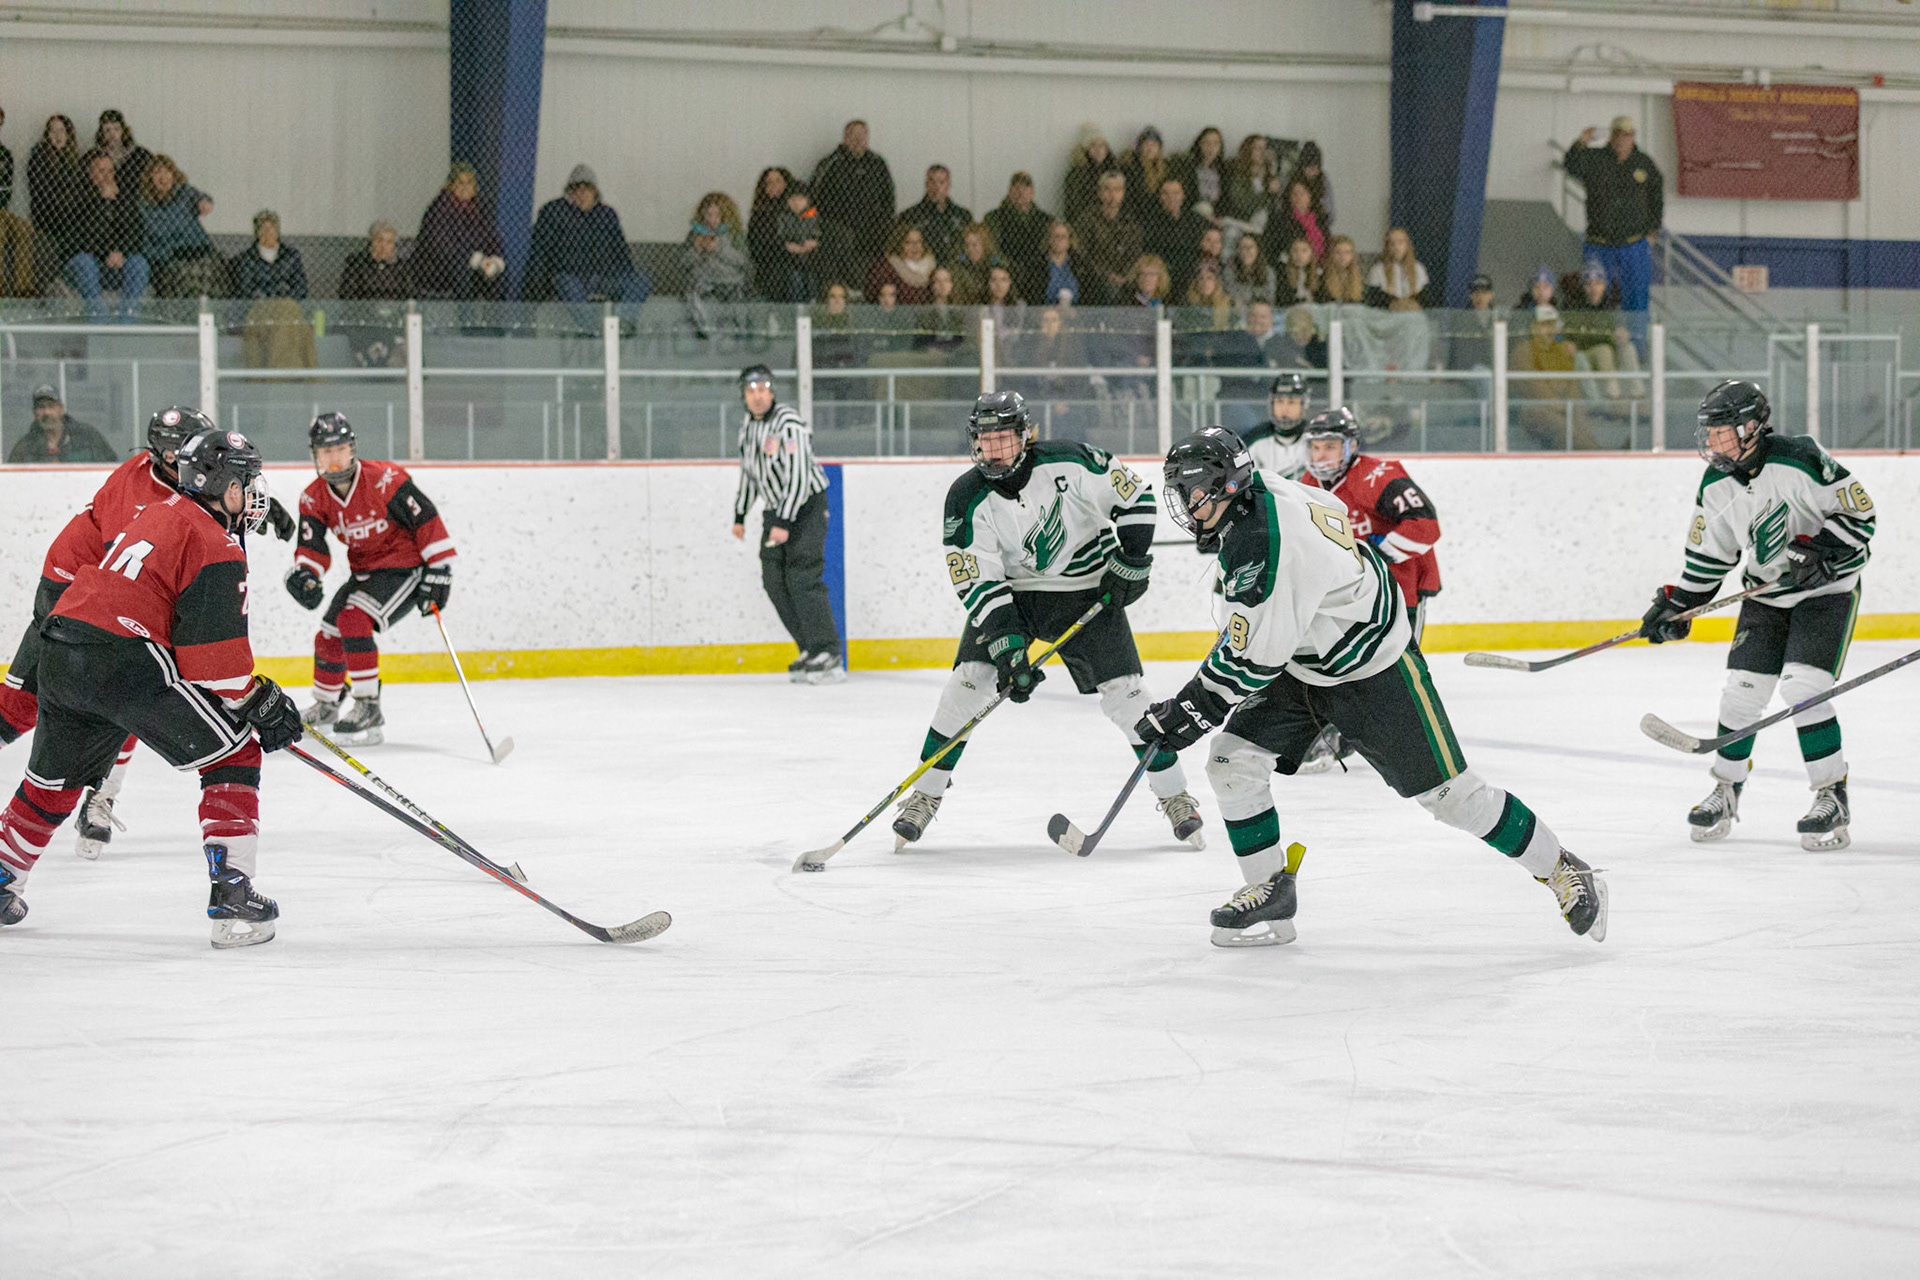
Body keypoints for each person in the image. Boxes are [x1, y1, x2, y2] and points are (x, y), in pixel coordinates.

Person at [1141, 426, 1605, 947]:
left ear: (1226, 486)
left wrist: (1190, 711)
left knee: (1453, 797)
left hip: (1372, 665)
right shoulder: (1263, 488)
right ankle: (1269, 890)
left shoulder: (1263, 544)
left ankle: (1562, 867)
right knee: (1232, 762)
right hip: (1307, 659)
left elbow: (1251, 662)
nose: (1185, 504)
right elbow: (1325, 524)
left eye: (1192, 492)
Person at [0, 428, 301, 947]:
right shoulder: (217, 544)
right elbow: (215, 665)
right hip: (124, 660)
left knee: (55, 780)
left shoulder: (157, 512)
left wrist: (245, 694)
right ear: (227, 487)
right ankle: (232, 892)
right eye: (248, 481)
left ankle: (3, 873)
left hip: (61, 648)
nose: (255, 493)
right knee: (235, 752)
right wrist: (261, 701)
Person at [890, 390, 1205, 851]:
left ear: (1025, 435)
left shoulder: (1071, 462)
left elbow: (1136, 496)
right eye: (984, 441)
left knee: (1128, 696)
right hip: (1015, 599)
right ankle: (926, 793)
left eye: (1003, 439)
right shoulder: (965, 497)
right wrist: (1007, 647)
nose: (993, 451)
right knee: (968, 682)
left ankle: (1175, 795)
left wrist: (1133, 559)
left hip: (1086, 593)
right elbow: (977, 578)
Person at [1638, 380, 1873, 852]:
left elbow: (1860, 517)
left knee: (1804, 689)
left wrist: (1823, 550)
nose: (1712, 441)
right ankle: (1726, 789)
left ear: (1750, 427)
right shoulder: (1715, 484)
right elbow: (1710, 556)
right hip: (1765, 597)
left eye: (1721, 431)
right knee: (1740, 695)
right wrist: (1680, 604)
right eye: (1709, 432)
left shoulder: (1801, 459)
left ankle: (1832, 794)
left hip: (1826, 594)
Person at [288, 413, 458, 745]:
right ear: (315, 455)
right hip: (364, 573)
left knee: (353, 619)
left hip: (405, 569)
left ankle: (368, 705)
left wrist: (440, 569)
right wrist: (307, 573)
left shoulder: (385, 479)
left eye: (340, 449)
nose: (334, 458)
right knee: (328, 635)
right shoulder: (313, 497)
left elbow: (425, 518)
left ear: (352, 449)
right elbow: (312, 546)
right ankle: (326, 705)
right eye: (326, 451)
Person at [729, 366, 842, 683]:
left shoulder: (789, 424)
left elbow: (799, 476)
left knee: (803, 577)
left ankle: (828, 651)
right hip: (777, 510)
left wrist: (783, 521)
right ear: (744, 396)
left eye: (763, 389)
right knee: (774, 580)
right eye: (751, 391)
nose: (757, 396)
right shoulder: (748, 429)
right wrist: (740, 515)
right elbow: (750, 474)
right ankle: (809, 647)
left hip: (805, 508)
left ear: (772, 392)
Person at [1563, 116, 1661, 330]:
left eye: (1627, 135)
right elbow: (1571, 166)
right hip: (1599, 243)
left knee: (1636, 298)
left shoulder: (1644, 163)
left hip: (1634, 244)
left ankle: (1636, 343)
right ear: (1611, 136)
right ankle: (1598, 340)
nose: (1622, 140)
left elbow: (1656, 197)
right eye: (1618, 135)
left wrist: (1653, 231)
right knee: (1594, 296)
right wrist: (1581, 142)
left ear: (1633, 137)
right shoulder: (1595, 158)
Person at [526, 165, 650, 331]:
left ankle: (622, 324)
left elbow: (622, 253)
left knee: (640, 280)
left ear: (595, 192)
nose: (581, 193)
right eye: (577, 188)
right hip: (572, 277)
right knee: (566, 283)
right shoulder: (554, 212)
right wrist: (535, 288)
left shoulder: (607, 215)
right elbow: (540, 253)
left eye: (587, 188)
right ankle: (592, 329)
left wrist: (621, 274)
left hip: (605, 277)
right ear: (569, 192)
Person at [65, 149, 148, 322]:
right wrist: (101, 200)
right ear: (89, 173)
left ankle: (127, 320)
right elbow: (82, 237)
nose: (107, 176)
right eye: (101, 171)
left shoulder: (124, 197)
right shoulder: (75, 196)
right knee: (83, 261)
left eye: (110, 171)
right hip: (88, 264)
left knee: (139, 263)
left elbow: (135, 231)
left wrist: (121, 251)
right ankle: (99, 317)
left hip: (116, 262)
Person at [810, 120, 895, 284]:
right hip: (838, 238)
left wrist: (884, 227)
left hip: (872, 237)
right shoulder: (830, 164)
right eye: (853, 135)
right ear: (845, 138)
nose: (858, 140)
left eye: (862, 135)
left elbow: (888, 201)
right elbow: (813, 202)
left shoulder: (878, 164)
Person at [229, 210, 312, 368]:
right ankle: (284, 369)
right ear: (257, 232)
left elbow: (301, 288)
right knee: (286, 321)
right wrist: (270, 301)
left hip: (287, 307)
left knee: (290, 314)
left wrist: (283, 299)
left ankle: (282, 369)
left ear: (278, 231)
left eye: (271, 228)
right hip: (260, 309)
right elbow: (244, 290)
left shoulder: (291, 255)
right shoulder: (247, 258)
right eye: (263, 228)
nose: (268, 232)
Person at [412, 162, 505, 301]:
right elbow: (440, 245)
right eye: (460, 183)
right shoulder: (438, 208)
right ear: (451, 185)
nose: (465, 187)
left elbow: (492, 237)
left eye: (469, 183)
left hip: (474, 265)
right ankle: (463, 312)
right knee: (462, 270)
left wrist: (494, 259)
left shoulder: (481, 208)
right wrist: (472, 258)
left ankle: (493, 313)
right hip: (440, 268)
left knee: (496, 273)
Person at [139, 154, 223, 298]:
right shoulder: (143, 206)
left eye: (167, 171)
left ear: (174, 175)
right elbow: (145, 245)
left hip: (199, 253)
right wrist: (168, 256)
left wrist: (204, 203)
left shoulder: (184, 193)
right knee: (181, 276)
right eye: (157, 172)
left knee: (212, 271)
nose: (163, 177)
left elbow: (202, 198)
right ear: (149, 178)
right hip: (168, 261)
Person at [337, 221, 414, 367]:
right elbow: (347, 292)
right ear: (371, 242)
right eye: (379, 240)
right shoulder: (357, 262)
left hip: (393, 317)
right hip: (365, 317)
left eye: (389, 242)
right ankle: (375, 360)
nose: (383, 246)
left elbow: (409, 293)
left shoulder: (401, 266)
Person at [1560, 258, 1640, 394]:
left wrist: (1622, 335)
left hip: (1609, 352)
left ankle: (1638, 394)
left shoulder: (1611, 305)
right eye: (1588, 284)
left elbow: (1620, 329)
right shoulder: (1573, 305)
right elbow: (1575, 336)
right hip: (1585, 353)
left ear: (1604, 285)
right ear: (1582, 287)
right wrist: (1607, 336)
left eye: (1598, 283)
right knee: (1604, 350)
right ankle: (1613, 396)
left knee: (1629, 349)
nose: (1594, 289)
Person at [683, 191, 751, 334]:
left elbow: (743, 261)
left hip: (730, 281)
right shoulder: (695, 233)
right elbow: (684, 263)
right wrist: (697, 250)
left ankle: (738, 331)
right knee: (693, 296)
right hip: (704, 281)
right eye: (709, 215)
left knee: (736, 302)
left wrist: (719, 248)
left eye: (718, 215)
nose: (713, 220)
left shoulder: (735, 234)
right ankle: (705, 330)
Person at [1071, 170, 1142, 306]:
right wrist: (1106, 275)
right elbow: (1081, 254)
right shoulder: (1087, 219)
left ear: (1123, 193)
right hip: (1094, 280)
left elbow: (1135, 253)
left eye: (1117, 189)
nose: (1112, 194)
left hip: (1125, 278)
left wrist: (1125, 276)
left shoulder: (1130, 222)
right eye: (1107, 189)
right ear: (1099, 192)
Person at [983, 172, 1052, 307]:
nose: (1021, 192)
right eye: (1017, 188)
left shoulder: (1046, 220)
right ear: (1010, 191)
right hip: (1006, 277)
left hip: (1037, 277)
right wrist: (1010, 269)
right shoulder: (994, 218)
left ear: (1032, 192)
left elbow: (1047, 250)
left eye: (1025, 188)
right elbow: (992, 250)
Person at [28, 115, 86, 268]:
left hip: (71, 222)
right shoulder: (39, 158)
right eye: (53, 132)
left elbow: (78, 196)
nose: (57, 136)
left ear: (68, 134)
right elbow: (41, 195)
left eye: (61, 131)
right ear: (47, 135)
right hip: (47, 222)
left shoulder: (75, 161)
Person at [7, 384, 117, 463]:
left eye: (51, 406)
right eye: (41, 407)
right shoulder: (24, 447)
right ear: (34, 413)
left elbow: (111, 468)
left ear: (61, 408)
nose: (47, 412)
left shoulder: (87, 436)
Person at [896, 164, 972, 269]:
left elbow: (969, 248)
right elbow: (899, 251)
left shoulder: (963, 216)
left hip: (956, 270)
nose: (937, 187)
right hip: (920, 271)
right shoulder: (909, 216)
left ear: (948, 185)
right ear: (926, 184)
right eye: (932, 182)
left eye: (941, 182)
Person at [1239, 373, 1312, 481]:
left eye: (1291, 402)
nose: (1284, 409)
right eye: (1280, 401)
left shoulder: (1316, 440)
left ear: (1304, 404)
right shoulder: (1254, 440)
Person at [1142, 179, 1206, 299]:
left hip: (1191, 271)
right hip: (1165, 273)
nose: (1171, 197)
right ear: (1160, 197)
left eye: (1176, 193)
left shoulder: (1194, 219)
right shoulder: (1151, 222)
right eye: (1166, 193)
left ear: (1183, 196)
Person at [747, 167, 796, 299]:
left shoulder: (799, 209)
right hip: (771, 264)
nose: (774, 186)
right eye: (769, 183)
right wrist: (785, 247)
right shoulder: (759, 215)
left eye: (778, 181)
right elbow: (758, 247)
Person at [0, 107, 33, 297]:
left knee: (23, 229)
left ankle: (23, 288)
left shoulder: (5, 154)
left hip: (2, 209)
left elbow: (6, 188)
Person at [1063, 124, 1121, 225]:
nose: (1098, 150)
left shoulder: (1114, 170)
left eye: (1101, 145)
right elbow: (1073, 208)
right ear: (1085, 149)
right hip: (1087, 225)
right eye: (1093, 145)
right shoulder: (1078, 174)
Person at [865, 223, 936, 305]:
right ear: (899, 244)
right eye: (908, 242)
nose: (915, 246)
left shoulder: (932, 267)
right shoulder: (886, 268)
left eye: (919, 241)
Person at [1262, 180, 1325, 270]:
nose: (1298, 197)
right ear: (1289, 198)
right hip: (1288, 269)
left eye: (1302, 193)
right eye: (1294, 194)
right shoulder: (1280, 219)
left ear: (1310, 196)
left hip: (1318, 269)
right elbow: (1270, 250)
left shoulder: (1320, 220)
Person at [1366, 227, 1432, 310]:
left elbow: (1426, 300)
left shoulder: (1419, 269)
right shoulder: (1377, 270)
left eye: (1400, 243)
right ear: (1387, 247)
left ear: (1407, 245)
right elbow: (1374, 301)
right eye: (1392, 244)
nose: (1396, 247)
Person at [1120, 127, 1170, 225]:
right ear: (1140, 147)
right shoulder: (1132, 167)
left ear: (1159, 148)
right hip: (1138, 214)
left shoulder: (1166, 168)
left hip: (1160, 214)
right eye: (1146, 144)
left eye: (1154, 145)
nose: (1150, 149)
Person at [93, 110, 151, 194]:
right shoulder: (93, 156)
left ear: (123, 131)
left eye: (116, 129)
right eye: (107, 130)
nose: (112, 134)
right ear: (101, 133)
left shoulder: (141, 155)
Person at [1284, 141, 1335, 227]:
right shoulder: (1292, 179)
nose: (1313, 173)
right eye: (1310, 169)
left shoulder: (1323, 180)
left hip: (1318, 224)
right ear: (1303, 167)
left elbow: (1330, 212)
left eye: (1316, 168)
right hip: (1294, 224)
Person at [947, 222, 998, 306]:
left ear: (984, 245)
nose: (970, 249)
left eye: (974, 245)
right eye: (967, 245)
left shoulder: (994, 262)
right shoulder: (958, 265)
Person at [1224, 233, 1276, 311]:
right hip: (1236, 312)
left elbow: (1270, 298)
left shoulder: (1268, 271)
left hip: (1259, 312)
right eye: (1242, 247)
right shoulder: (1230, 269)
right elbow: (1231, 295)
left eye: (1250, 247)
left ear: (1257, 249)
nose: (1246, 251)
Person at [1039, 219, 1081, 306]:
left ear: (1069, 241)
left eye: (1063, 237)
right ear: (1049, 239)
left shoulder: (1079, 264)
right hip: (1047, 310)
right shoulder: (1038, 264)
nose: (1059, 240)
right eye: (1056, 236)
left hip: (1075, 310)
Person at [1315, 235, 1364, 305]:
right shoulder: (1322, 277)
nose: (1343, 257)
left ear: (1353, 255)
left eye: (1347, 252)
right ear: (1331, 254)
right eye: (1338, 252)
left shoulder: (1358, 277)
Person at [1275, 236, 1319, 307]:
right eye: (1295, 251)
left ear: (1311, 254)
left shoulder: (1318, 273)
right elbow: (1283, 300)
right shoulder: (1283, 274)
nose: (1299, 254)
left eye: (1304, 251)